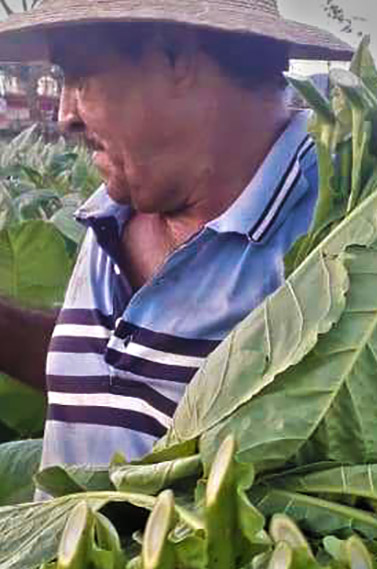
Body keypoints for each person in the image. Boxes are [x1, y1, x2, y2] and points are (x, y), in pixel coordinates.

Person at [0, 0, 352, 472]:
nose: (66, 115)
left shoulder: (342, 229)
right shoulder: (120, 201)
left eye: (77, 74)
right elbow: (114, 380)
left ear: (173, 55)